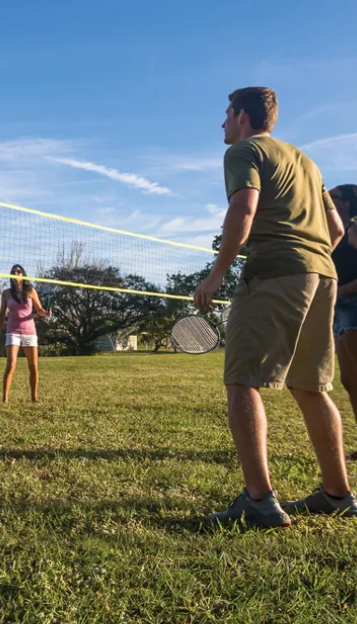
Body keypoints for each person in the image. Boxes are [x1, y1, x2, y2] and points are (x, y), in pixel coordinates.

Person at [194, 87, 357, 527]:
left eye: (226, 114)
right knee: (311, 387)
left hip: (274, 273)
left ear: (243, 116)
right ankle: (337, 493)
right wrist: (313, 255)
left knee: (242, 380)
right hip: (322, 274)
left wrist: (216, 274)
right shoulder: (305, 160)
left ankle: (259, 500)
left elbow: (244, 209)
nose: (223, 123)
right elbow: (336, 227)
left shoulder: (243, 151)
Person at [0, 264, 49, 403]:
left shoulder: (30, 290)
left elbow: (39, 310)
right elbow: (1, 315)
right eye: (13, 271)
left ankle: (34, 398)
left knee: (33, 366)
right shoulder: (6, 293)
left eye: (18, 271)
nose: (15, 273)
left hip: (29, 331)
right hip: (13, 331)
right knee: (11, 364)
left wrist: (45, 313)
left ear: (23, 274)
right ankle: (5, 398)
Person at [329, 184, 357, 459]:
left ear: (345, 204)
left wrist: (339, 291)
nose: (325, 200)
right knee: (350, 381)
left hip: (353, 306)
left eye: (331, 197)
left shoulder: (355, 231)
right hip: (338, 310)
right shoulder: (330, 235)